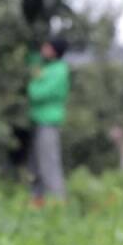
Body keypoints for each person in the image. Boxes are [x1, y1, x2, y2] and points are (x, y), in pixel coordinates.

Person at [27, 36, 70, 204]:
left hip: (49, 122)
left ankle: (58, 203)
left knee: (49, 164)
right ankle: (38, 202)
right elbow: (31, 58)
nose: (43, 49)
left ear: (54, 50)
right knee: (35, 165)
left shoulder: (59, 70)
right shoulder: (45, 66)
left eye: (47, 46)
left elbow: (37, 93)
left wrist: (32, 83)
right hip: (36, 120)